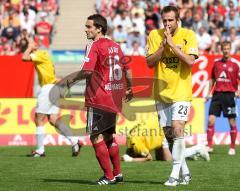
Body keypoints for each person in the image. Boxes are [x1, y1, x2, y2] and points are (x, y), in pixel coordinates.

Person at [62, 14, 133, 185]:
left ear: (99, 28)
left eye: (89, 27)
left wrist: (71, 80)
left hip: (99, 96)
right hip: (114, 97)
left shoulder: (94, 45)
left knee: (95, 137)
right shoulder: (116, 46)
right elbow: (127, 69)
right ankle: (118, 174)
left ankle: (108, 176)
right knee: (109, 136)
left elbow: (87, 71)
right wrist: (130, 87)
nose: (86, 30)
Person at [146, 5, 199, 186]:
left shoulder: (188, 35)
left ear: (177, 20)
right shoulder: (154, 35)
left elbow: (190, 61)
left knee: (177, 130)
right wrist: (163, 46)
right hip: (161, 93)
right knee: (169, 137)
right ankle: (185, 171)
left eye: (171, 20)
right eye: (165, 20)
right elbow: (149, 63)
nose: (167, 24)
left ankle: (174, 175)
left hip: (181, 92)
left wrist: (173, 46)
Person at [22, 39, 83, 157]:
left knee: (38, 119)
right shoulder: (45, 55)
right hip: (54, 88)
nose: (30, 45)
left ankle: (40, 150)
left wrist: (29, 47)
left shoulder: (40, 54)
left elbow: (24, 58)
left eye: (32, 43)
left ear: (36, 45)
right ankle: (75, 141)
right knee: (53, 119)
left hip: (48, 89)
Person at [206, 41, 240, 155]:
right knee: (210, 120)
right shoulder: (216, 64)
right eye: (224, 48)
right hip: (217, 95)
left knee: (232, 122)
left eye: (227, 48)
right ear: (221, 50)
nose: (226, 50)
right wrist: (208, 93)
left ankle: (232, 147)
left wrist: (238, 90)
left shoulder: (235, 64)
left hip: (230, 96)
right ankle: (209, 146)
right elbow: (212, 79)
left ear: (230, 49)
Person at [122, 124, 210, 162]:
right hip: (156, 129)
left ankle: (197, 149)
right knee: (161, 158)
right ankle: (189, 155)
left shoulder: (137, 146)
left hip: (160, 132)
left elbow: (148, 158)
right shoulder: (129, 140)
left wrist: (131, 160)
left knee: (169, 158)